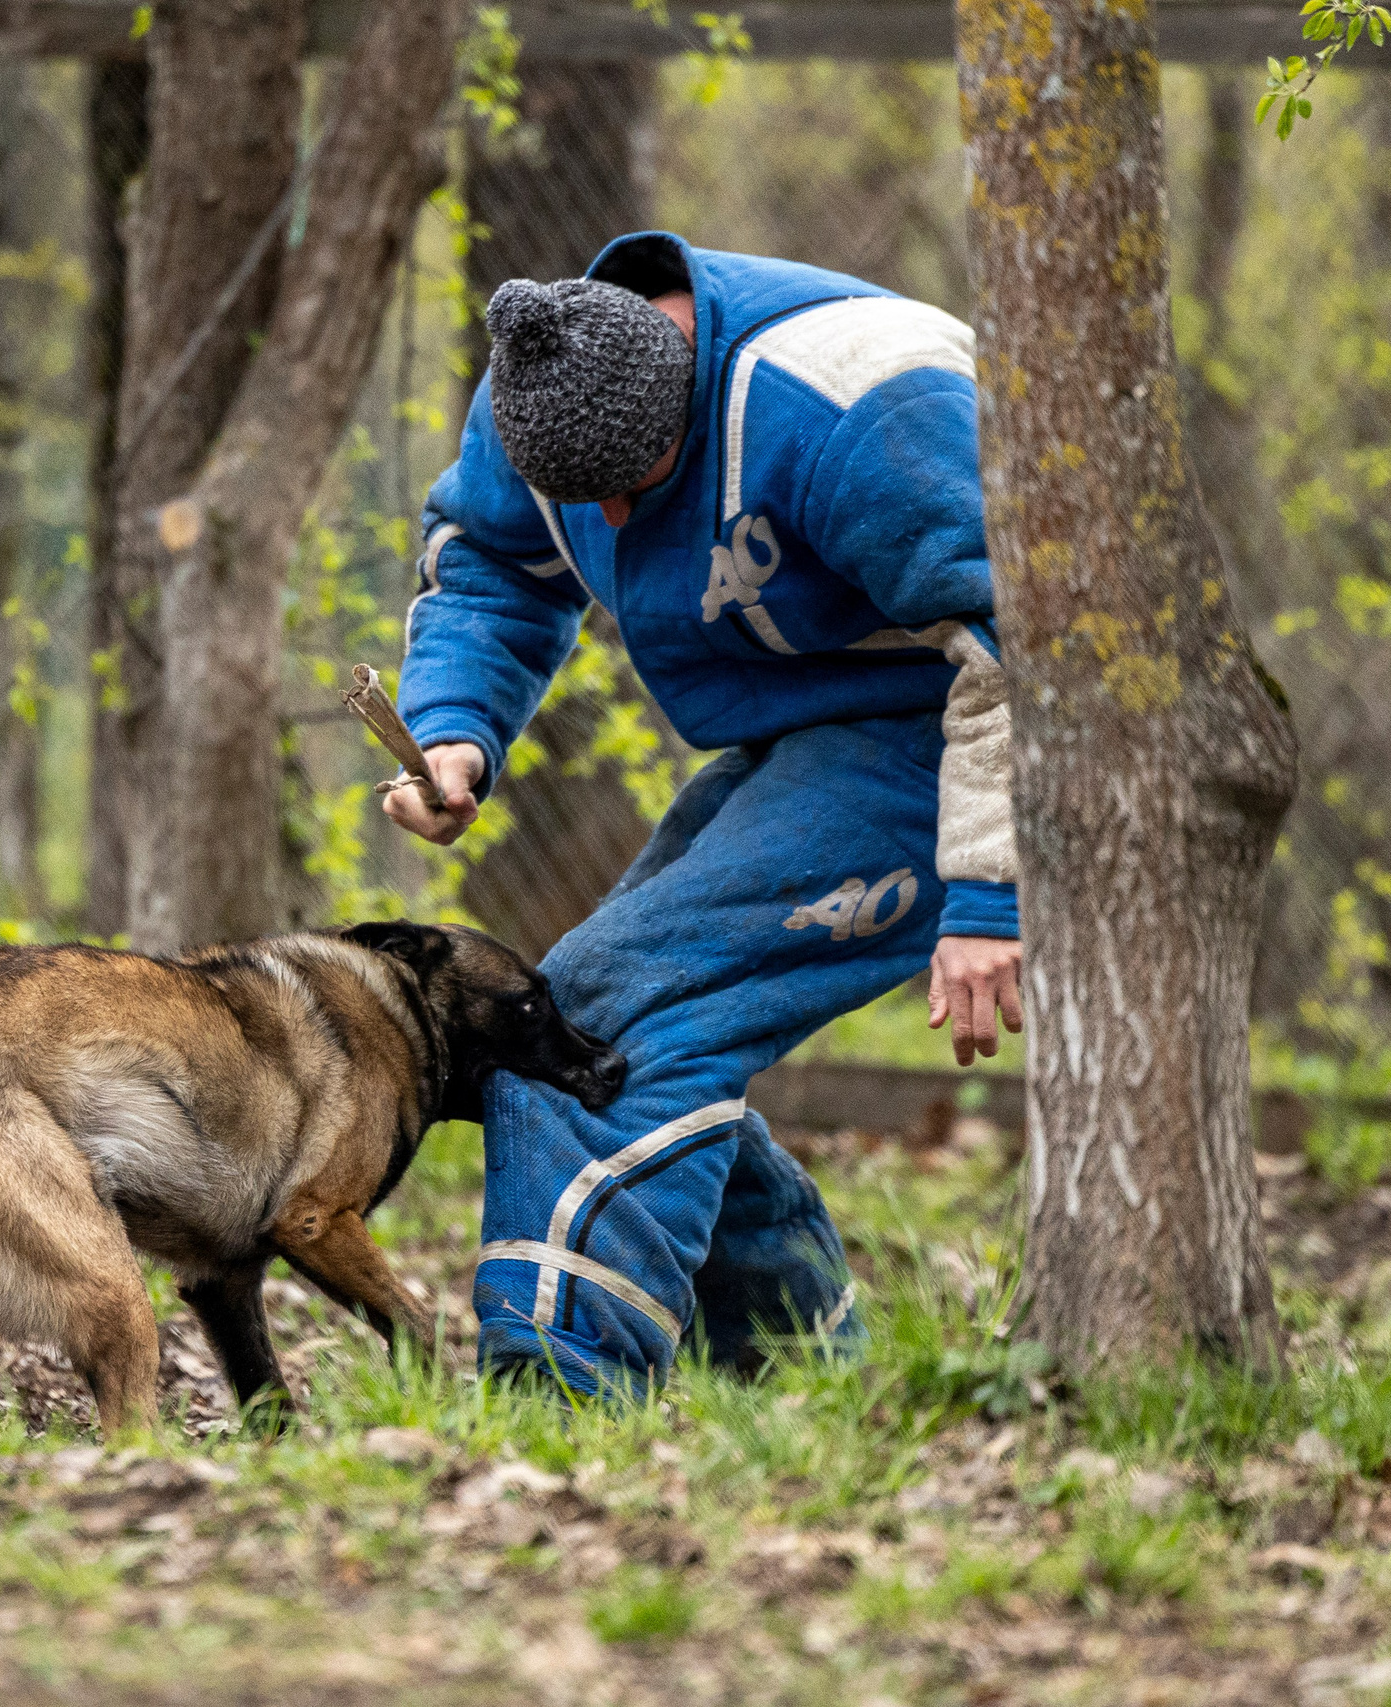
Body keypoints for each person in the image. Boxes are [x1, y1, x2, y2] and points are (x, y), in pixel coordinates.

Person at [384, 231, 1021, 1395]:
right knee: (635, 1029)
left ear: (683, 381)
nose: (615, 523)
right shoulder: (542, 378)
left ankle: (556, 1395)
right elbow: (489, 567)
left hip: (951, 737)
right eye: (587, 501)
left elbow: (1022, 649)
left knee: (595, 1022)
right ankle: (803, 1374)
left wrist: (988, 892)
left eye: (639, 486)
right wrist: (454, 732)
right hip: (809, 731)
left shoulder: (862, 401)